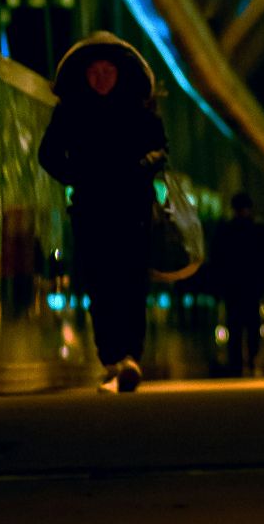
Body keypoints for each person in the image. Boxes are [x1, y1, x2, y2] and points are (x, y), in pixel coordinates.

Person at [38, 32, 167, 393]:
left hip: (130, 210)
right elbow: (47, 155)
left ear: (119, 73)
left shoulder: (138, 111)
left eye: (108, 71)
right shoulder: (70, 112)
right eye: (94, 72)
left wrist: (140, 168)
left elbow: (160, 149)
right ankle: (113, 358)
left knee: (129, 284)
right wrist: (77, 176)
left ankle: (128, 357)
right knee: (101, 284)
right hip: (93, 211)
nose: (101, 78)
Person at [209, 192, 264, 377]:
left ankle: (237, 364)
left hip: (235, 286)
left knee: (236, 325)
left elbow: (217, 260)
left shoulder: (226, 231)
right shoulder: (259, 230)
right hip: (251, 286)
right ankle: (250, 359)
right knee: (250, 324)